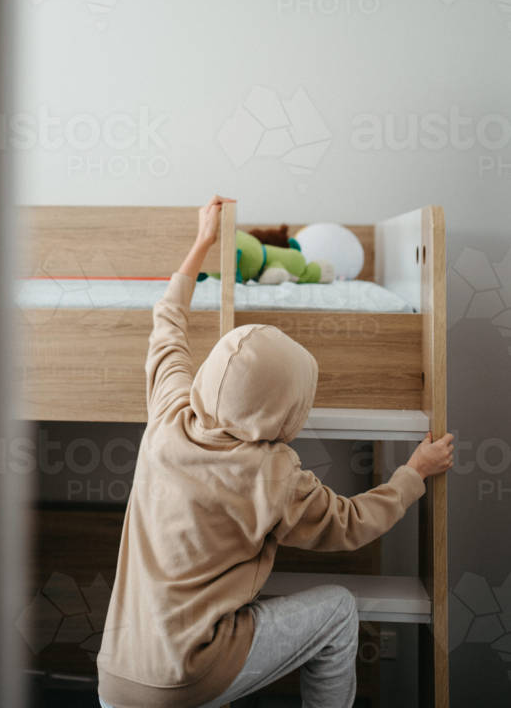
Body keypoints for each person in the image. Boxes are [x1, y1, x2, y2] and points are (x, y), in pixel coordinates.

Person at [97, 196, 454, 708]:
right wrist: (413, 472)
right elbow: (350, 524)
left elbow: (167, 322)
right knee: (337, 609)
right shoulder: (272, 471)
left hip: (116, 678)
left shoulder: (168, 415)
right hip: (190, 675)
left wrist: (202, 243)